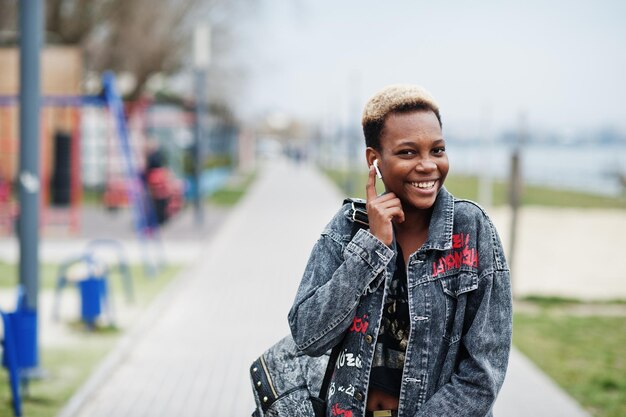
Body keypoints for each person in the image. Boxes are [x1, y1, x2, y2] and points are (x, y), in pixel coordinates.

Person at [288, 84, 512, 417]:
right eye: (408, 152)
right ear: (374, 160)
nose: (428, 165)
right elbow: (308, 336)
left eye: (437, 150)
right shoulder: (349, 227)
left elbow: (484, 373)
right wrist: (371, 249)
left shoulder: (471, 230)